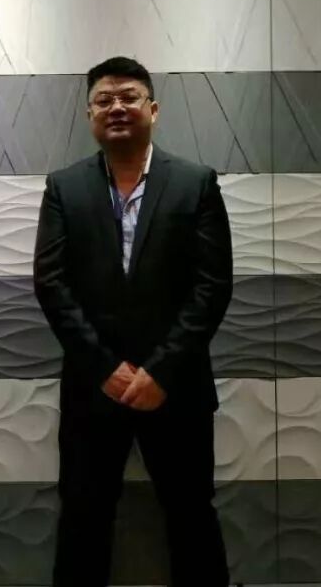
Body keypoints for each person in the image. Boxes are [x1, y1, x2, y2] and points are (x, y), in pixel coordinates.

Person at [33, 56, 233, 585]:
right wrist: (106, 368)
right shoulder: (64, 187)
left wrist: (160, 371)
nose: (116, 107)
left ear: (153, 109)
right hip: (93, 389)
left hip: (177, 389)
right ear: (89, 115)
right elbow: (51, 284)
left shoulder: (195, 183)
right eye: (104, 100)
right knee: (82, 519)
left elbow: (212, 287)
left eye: (129, 97)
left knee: (192, 517)